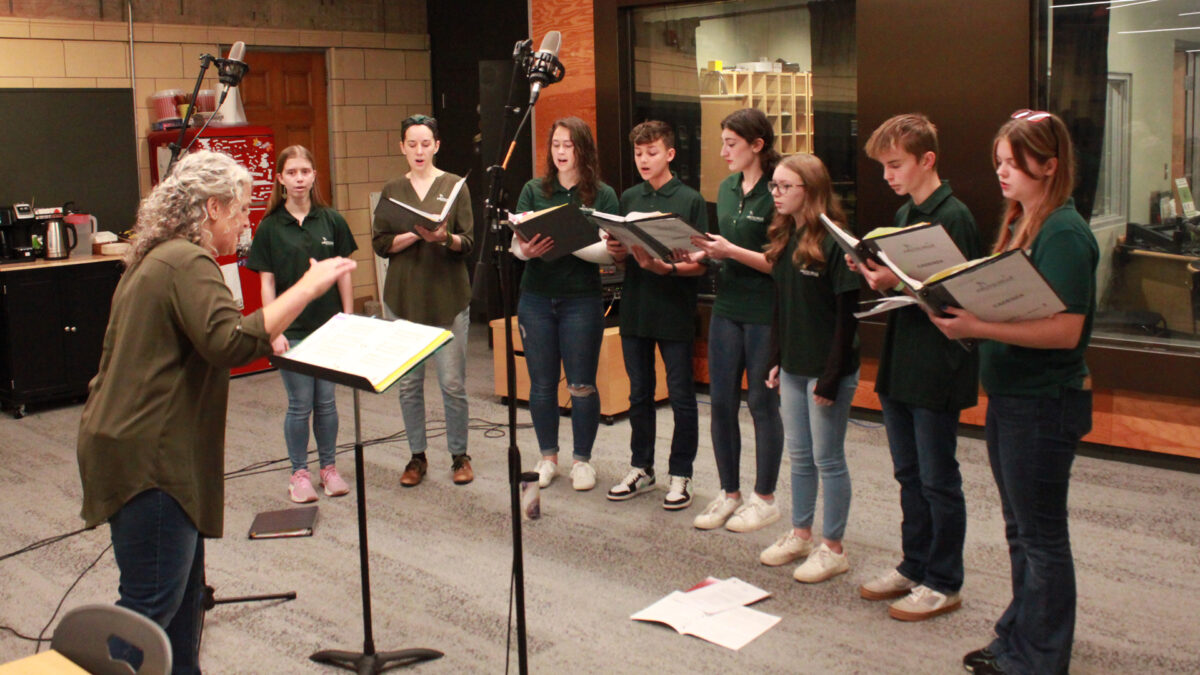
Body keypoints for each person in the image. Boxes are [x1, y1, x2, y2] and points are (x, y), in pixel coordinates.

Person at [76, 150, 356, 673]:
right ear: (211, 208)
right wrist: (306, 289)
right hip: (151, 460)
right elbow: (229, 341)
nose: (246, 222)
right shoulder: (187, 261)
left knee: (183, 604)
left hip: (135, 445)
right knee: (149, 612)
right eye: (240, 210)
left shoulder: (159, 257)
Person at [930, 110, 1097, 675]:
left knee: (1041, 536)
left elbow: (1065, 330)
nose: (1001, 172)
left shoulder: (1064, 232)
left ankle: (1040, 658)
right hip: (1014, 395)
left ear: (1049, 166)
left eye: (1014, 163)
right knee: (1021, 530)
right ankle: (1018, 637)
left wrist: (977, 325)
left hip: (1044, 401)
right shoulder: (1025, 221)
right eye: (998, 161)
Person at [850, 114, 982, 620]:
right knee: (908, 472)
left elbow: (961, 296)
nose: (888, 175)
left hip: (937, 361)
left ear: (927, 160)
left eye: (896, 164)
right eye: (883, 166)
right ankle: (915, 564)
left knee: (937, 477)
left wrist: (895, 281)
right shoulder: (905, 212)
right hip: (903, 355)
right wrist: (872, 270)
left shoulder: (955, 216)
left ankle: (944, 580)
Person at [755, 153, 861, 583]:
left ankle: (833, 548)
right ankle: (800, 533)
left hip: (827, 369)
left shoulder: (836, 242)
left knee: (827, 458)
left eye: (785, 187)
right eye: (774, 186)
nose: (776, 194)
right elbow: (781, 306)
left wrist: (831, 378)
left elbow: (847, 318)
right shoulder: (785, 236)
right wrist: (775, 358)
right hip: (794, 366)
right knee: (799, 456)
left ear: (811, 191)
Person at [688, 108, 784, 532]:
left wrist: (729, 251)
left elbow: (779, 263)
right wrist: (702, 252)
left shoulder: (778, 189)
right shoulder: (727, 188)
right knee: (721, 403)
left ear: (757, 145)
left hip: (764, 312)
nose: (723, 152)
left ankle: (765, 498)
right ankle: (729, 493)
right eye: (722, 143)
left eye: (732, 144)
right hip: (726, 308)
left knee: (762, 404)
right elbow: (724, 246)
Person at [511, 116, 619, 491]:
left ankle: (582, 461)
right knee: (541, 384)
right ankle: (547, 458)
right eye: (555, 145)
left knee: (581, 384)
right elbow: (517, 245)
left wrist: (568, 242)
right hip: (536, 297)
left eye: (568, 145)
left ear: (582, 149)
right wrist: (526, 250)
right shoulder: (534, 189)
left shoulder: (602, 195)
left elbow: (610, 253)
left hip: (581, 299)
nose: (560, 152)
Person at [603, 120, 707, 510]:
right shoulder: (630, 197)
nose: (643, 160)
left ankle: (682, 473)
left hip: (675, 307)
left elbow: (702, 263)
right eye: (638, 153)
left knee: (681, 395)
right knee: (639, 393)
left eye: (651, 152)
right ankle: (641, 467)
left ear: (670, 154)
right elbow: (620, 258)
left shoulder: (690, 199)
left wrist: (670, 267)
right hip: (636, 306)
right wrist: (616, 251)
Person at [248, 145, 357, 503]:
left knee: (326, 402)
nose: (299, 179)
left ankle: (329, 468)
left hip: (328, 329)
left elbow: (343, 273)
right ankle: (299, 474)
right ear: (280, 178)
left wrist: (347, 318)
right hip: (291, 332)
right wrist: (273, 330)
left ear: (314, 176)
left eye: (305, 172)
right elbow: (266, 283)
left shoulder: (332, 221)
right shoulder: (269, 227)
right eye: (291, 172)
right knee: (300, 403)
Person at [371, 114, 475, 487]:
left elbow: (468, 242)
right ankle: (417, 456)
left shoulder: (455, 186)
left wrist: (443, 238)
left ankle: (460, 455)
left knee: (452, 384)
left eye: (426, 143)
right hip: (404, 299)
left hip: (448, 297)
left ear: (437, 146)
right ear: (402, 147)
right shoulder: (392, 189)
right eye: (412, 144)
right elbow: (381, 243)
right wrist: (416, 234)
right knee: (409, 385)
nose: (419, 150)